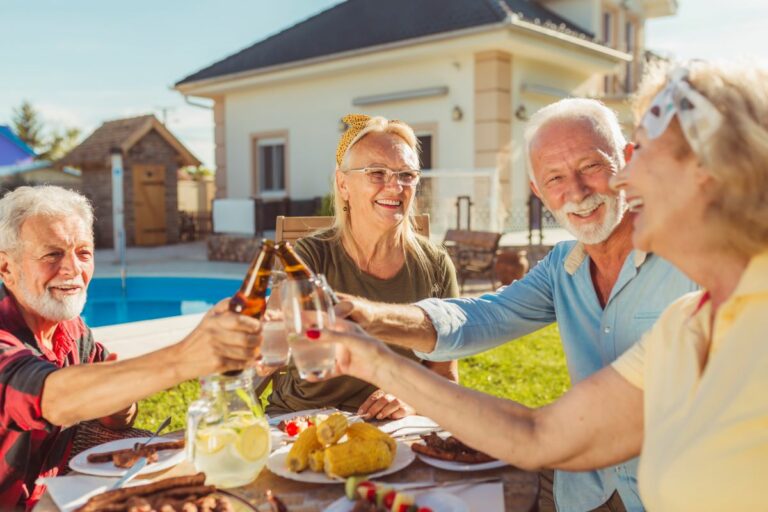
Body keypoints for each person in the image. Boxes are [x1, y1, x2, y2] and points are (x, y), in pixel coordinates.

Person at [324, 60, 768, 511]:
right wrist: (368, 336)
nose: (625, 178)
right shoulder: (688, 323)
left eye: (643, 155)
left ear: (711, 171)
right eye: (554, 178)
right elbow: (534, 429)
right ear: (538, 189)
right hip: (584, 490)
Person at [0, 186, 264, 509]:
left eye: (83, 252)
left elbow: (111, 408)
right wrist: (187, 356)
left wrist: (119, 408)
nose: (73, 270)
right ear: (6, 269)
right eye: (52, 254)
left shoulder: (70, 328)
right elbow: (50, 398)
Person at [265, 114, 459, 420]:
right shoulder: (309, 257)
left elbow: (446, 377)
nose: (395, 187)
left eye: (406, 174)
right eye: (377, 173)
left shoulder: (435, 266)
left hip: (393, 427)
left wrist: (411, 401)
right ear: (343, 184)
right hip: (303, 421)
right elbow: (270, 345)